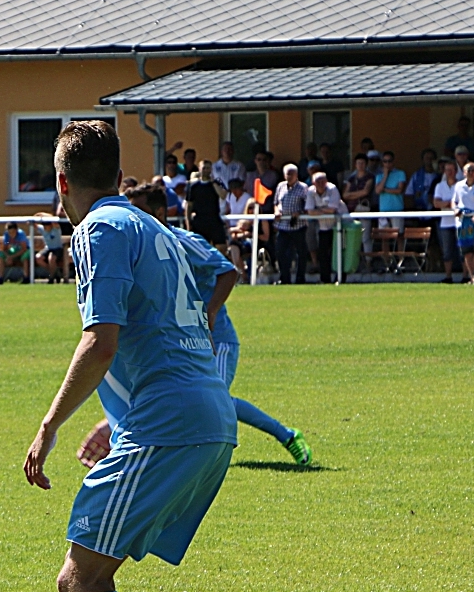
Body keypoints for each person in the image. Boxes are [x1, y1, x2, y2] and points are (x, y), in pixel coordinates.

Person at [0, 121, 234, 592]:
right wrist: (117, 416)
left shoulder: (96, 229)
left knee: (79, 578)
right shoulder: (156, 227)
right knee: (92, 575)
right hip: (198, 412)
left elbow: (102, 339)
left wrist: (47, 425)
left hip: (170, 422)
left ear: (61, 181)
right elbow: (181, 316)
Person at [87, 184, 311, 468]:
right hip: (181, 340)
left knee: (217, 399)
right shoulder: (143, 247)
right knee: (183, 396)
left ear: (158, 212)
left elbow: (229, 272)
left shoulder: (183, 241)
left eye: (140, 211)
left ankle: (287, 436)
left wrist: (211, 313)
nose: (134, 218)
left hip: (218, 340)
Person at [304, 172, 346, 283]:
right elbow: (310, 211)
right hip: (324, 226)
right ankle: (325, 280)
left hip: (340, 224)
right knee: (323, 253)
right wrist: (325, 211)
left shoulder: (332, 189)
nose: (321, 184)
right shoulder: (310, 192)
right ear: (313, 183)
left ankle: (341, 278)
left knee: (339, 251)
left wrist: (318, 210)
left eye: (323, 181)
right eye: (318, 181)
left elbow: (332, 209)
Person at [274, 163, 310, 284]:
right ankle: (284, 278)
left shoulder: (303, 187)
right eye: (287, 174)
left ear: (296, 175)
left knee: (301, 253)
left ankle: (300, 278)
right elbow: (276, 202)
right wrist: (277, 211)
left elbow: (308, 205)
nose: (289, 176)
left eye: (292, 174)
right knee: (281, 252)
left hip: (298, 225)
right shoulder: (280, 186)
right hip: (283, 226)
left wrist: (299, 212)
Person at [431, 159, 461, 283]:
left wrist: (447, 203)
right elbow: (436, 203)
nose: (449, 172)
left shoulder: (461, 185)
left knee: (463, 250)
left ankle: (466, 276)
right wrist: (450, 203)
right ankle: (448, 276)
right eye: (447, 170)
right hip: (445, 223)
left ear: (455, 171)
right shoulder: (439, 186)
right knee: (447, 251)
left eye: (451, 170)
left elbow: (462, 202)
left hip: (459, 222)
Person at [184, 172, 227, 248]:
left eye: (208, 168)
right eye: (204, 168)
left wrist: (213, 182)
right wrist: (188, 223)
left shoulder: (216, 184)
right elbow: (189, 206)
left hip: (214, 220)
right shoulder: (193, 187)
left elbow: (223, 195)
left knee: (221, 247)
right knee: (201, 248)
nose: (206, 170)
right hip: (199, 222)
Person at [38, 198, 70, 283]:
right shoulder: (42, 229)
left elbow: (54, 219)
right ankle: (56, 273)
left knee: (51, 258)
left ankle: (51, 278)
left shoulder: (56, 229)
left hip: (57, 249)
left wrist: (45, 215)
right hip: (48, 248)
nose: (45, 227)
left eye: (47, 225)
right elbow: (33, 221)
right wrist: (40, 214)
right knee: (38, 258)